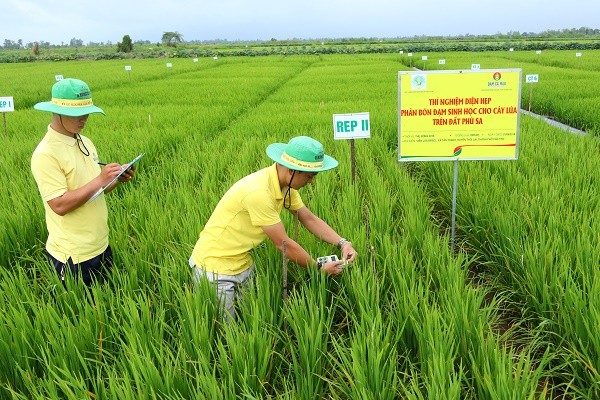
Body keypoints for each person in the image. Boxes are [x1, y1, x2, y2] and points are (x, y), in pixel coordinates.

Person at [189, 135, 357, 320]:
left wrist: (343, 243)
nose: (311, 182)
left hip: (242, 263)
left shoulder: (284, 186)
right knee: (226, 335)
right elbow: (282, 243)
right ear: (293, 170)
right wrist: (317, 268)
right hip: (214, 269)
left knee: (249, 323)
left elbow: (308, 218)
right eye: (310, 176)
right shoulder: (259, 192)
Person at [31, 78, 136, 286]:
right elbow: (59, 205)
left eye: (87, 112)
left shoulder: (84, 141)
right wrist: (100, 179)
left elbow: (96, 190)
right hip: (73, 255)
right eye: (77, 114)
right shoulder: (46, 154)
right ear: (57, 111)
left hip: (100, 244)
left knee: (105, 307)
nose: (84, 118)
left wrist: (115, 179)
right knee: (80, 314)